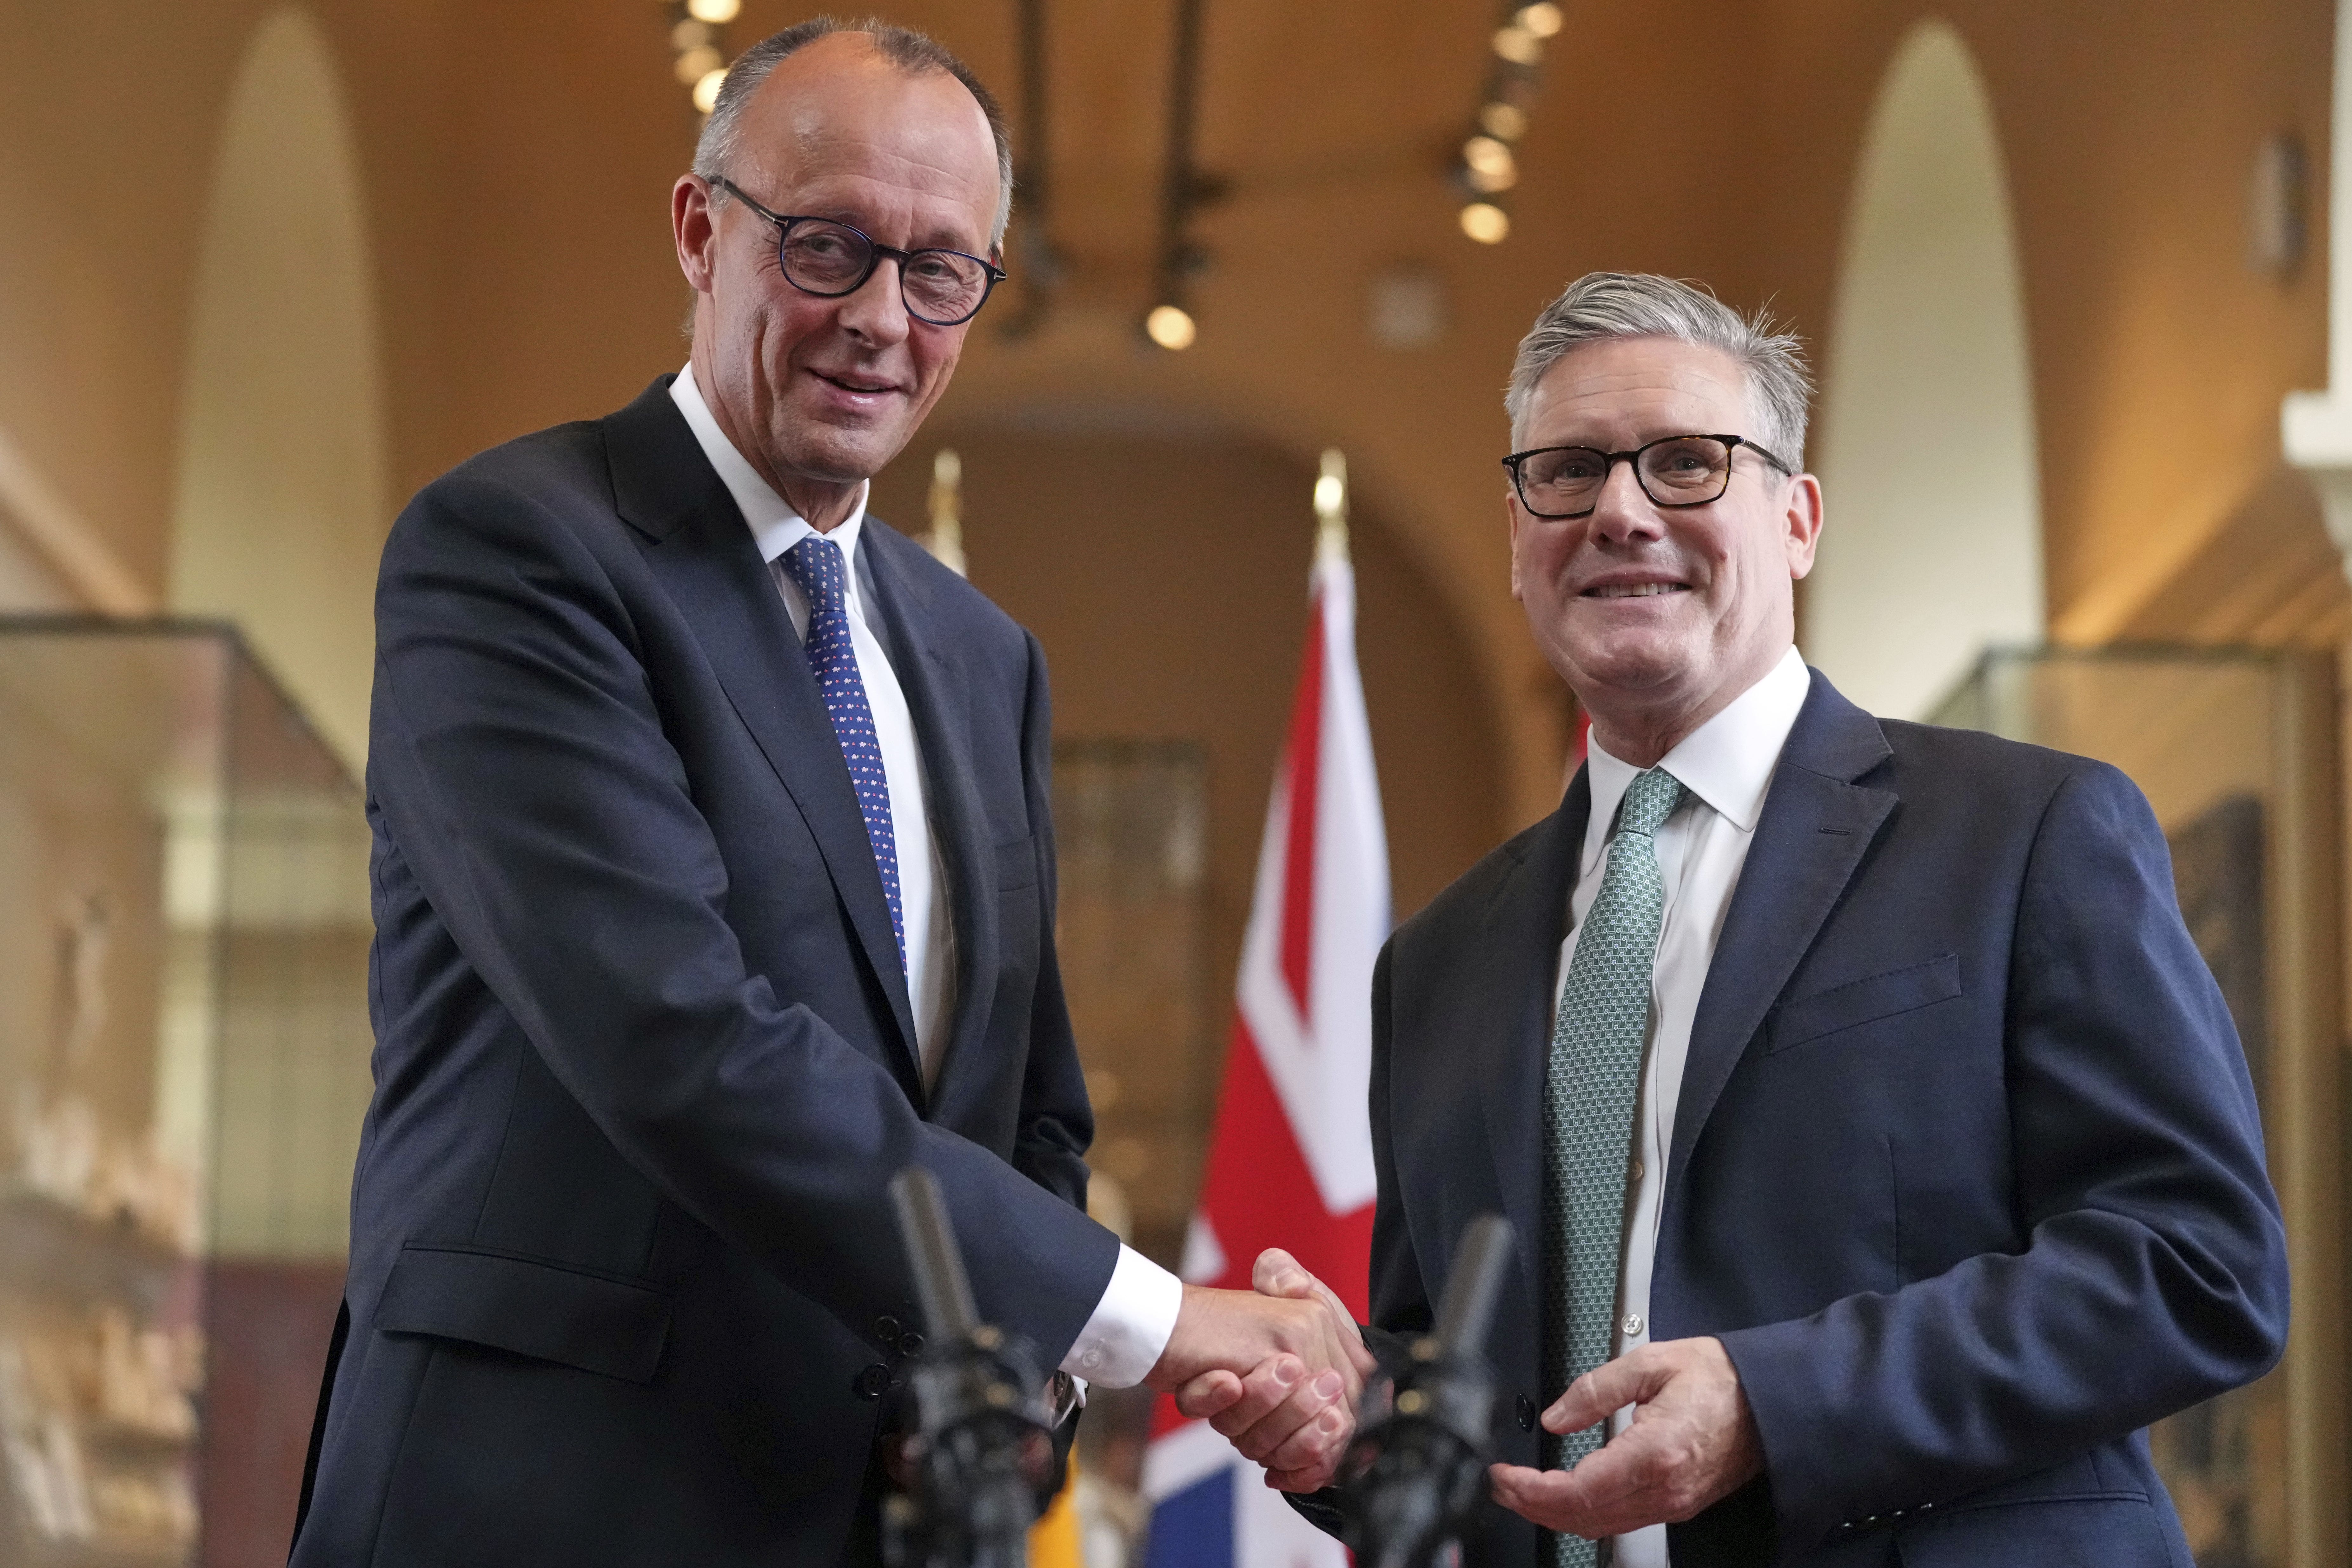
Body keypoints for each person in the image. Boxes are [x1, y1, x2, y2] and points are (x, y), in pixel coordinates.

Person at [288, 20, 1363, 1567]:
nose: (881, 318)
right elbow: (681, 1042)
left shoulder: (979, 654)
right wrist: (1157, 1318)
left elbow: (1024, 1109)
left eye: (940, 275)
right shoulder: (517, 554)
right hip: (538, 1506)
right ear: (699, 230)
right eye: (828, 248)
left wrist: (1004, 1375)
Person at [1198, 272, 2289, 1565]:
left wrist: (1774, 1406)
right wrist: (1357, 1432)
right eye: (1567, 472)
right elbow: (1473, 1413)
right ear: (1516, 534)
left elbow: (2195, 1264)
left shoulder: (2022, 835)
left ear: (1796, 517)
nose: (1616, 510)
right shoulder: (1433, 965)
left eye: (1683, 465)